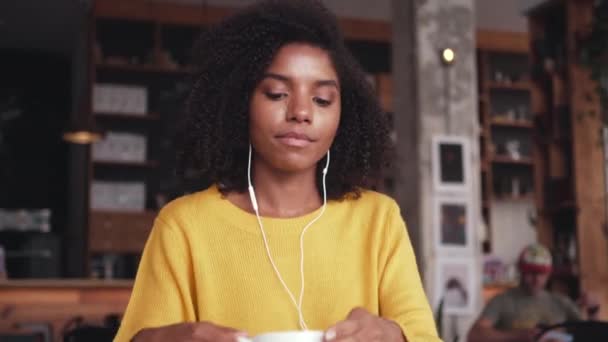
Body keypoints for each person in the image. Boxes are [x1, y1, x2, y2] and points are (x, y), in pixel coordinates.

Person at [114, 1, 441, 341]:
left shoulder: (379, 220)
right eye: (277, 93)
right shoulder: (184, 226)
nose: (301, 112)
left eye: (323, 100)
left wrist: (393, 335)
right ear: (240, 102)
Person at [467, 243, 592, 342]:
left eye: (541, 273)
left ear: (548, 274)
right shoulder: (502, 301)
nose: (536, 279)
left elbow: (590, 334)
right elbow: (474, 336)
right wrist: (517, 336)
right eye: (530, 272)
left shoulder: (562, 302)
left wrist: (594, 311)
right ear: (521, 271)